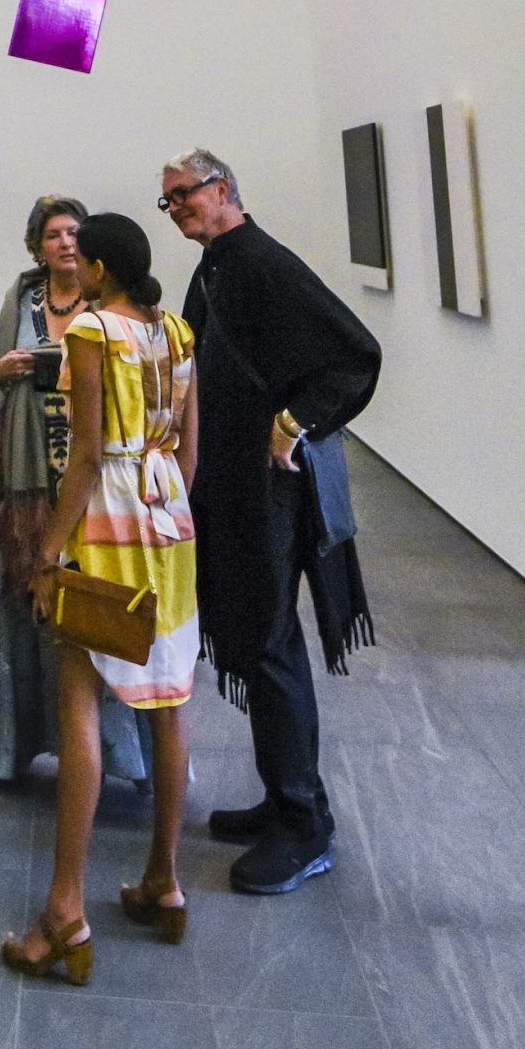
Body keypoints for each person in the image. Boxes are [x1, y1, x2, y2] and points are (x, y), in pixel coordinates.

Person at [162, 148, 381, 896]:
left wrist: (295, 421)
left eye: (184, 194)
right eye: (168, 202)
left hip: (267, 493)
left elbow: (355, 355)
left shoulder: (260, 262)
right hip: (230, 488)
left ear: (223, 188)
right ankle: (284, 798)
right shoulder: (220, 263)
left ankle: (304, 824)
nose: (177, 209)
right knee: (259, 641)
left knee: (270, 643)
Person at [3, 213, 200, 982]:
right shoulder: (178, 333)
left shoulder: (90, 332)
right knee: (169, 701)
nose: (73, 267)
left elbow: (84, 454)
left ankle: (64, 911)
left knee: (79, 700)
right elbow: (190, 445)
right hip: (168, 511)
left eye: (82, 258)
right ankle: (164, 880)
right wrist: (173, 511)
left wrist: (49, 549)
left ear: (103, 266)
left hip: (109, 513)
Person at [0, 195, 151, 790]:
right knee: (24, 608)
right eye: (53, 234)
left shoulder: (114, 303)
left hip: (96, 479)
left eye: (75, 232)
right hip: (28, 482)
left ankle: (115, 756)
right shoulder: (21, 299)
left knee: (99, 616)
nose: (65, 243)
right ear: (37, 245)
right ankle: (12, 749)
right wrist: (2, 374)